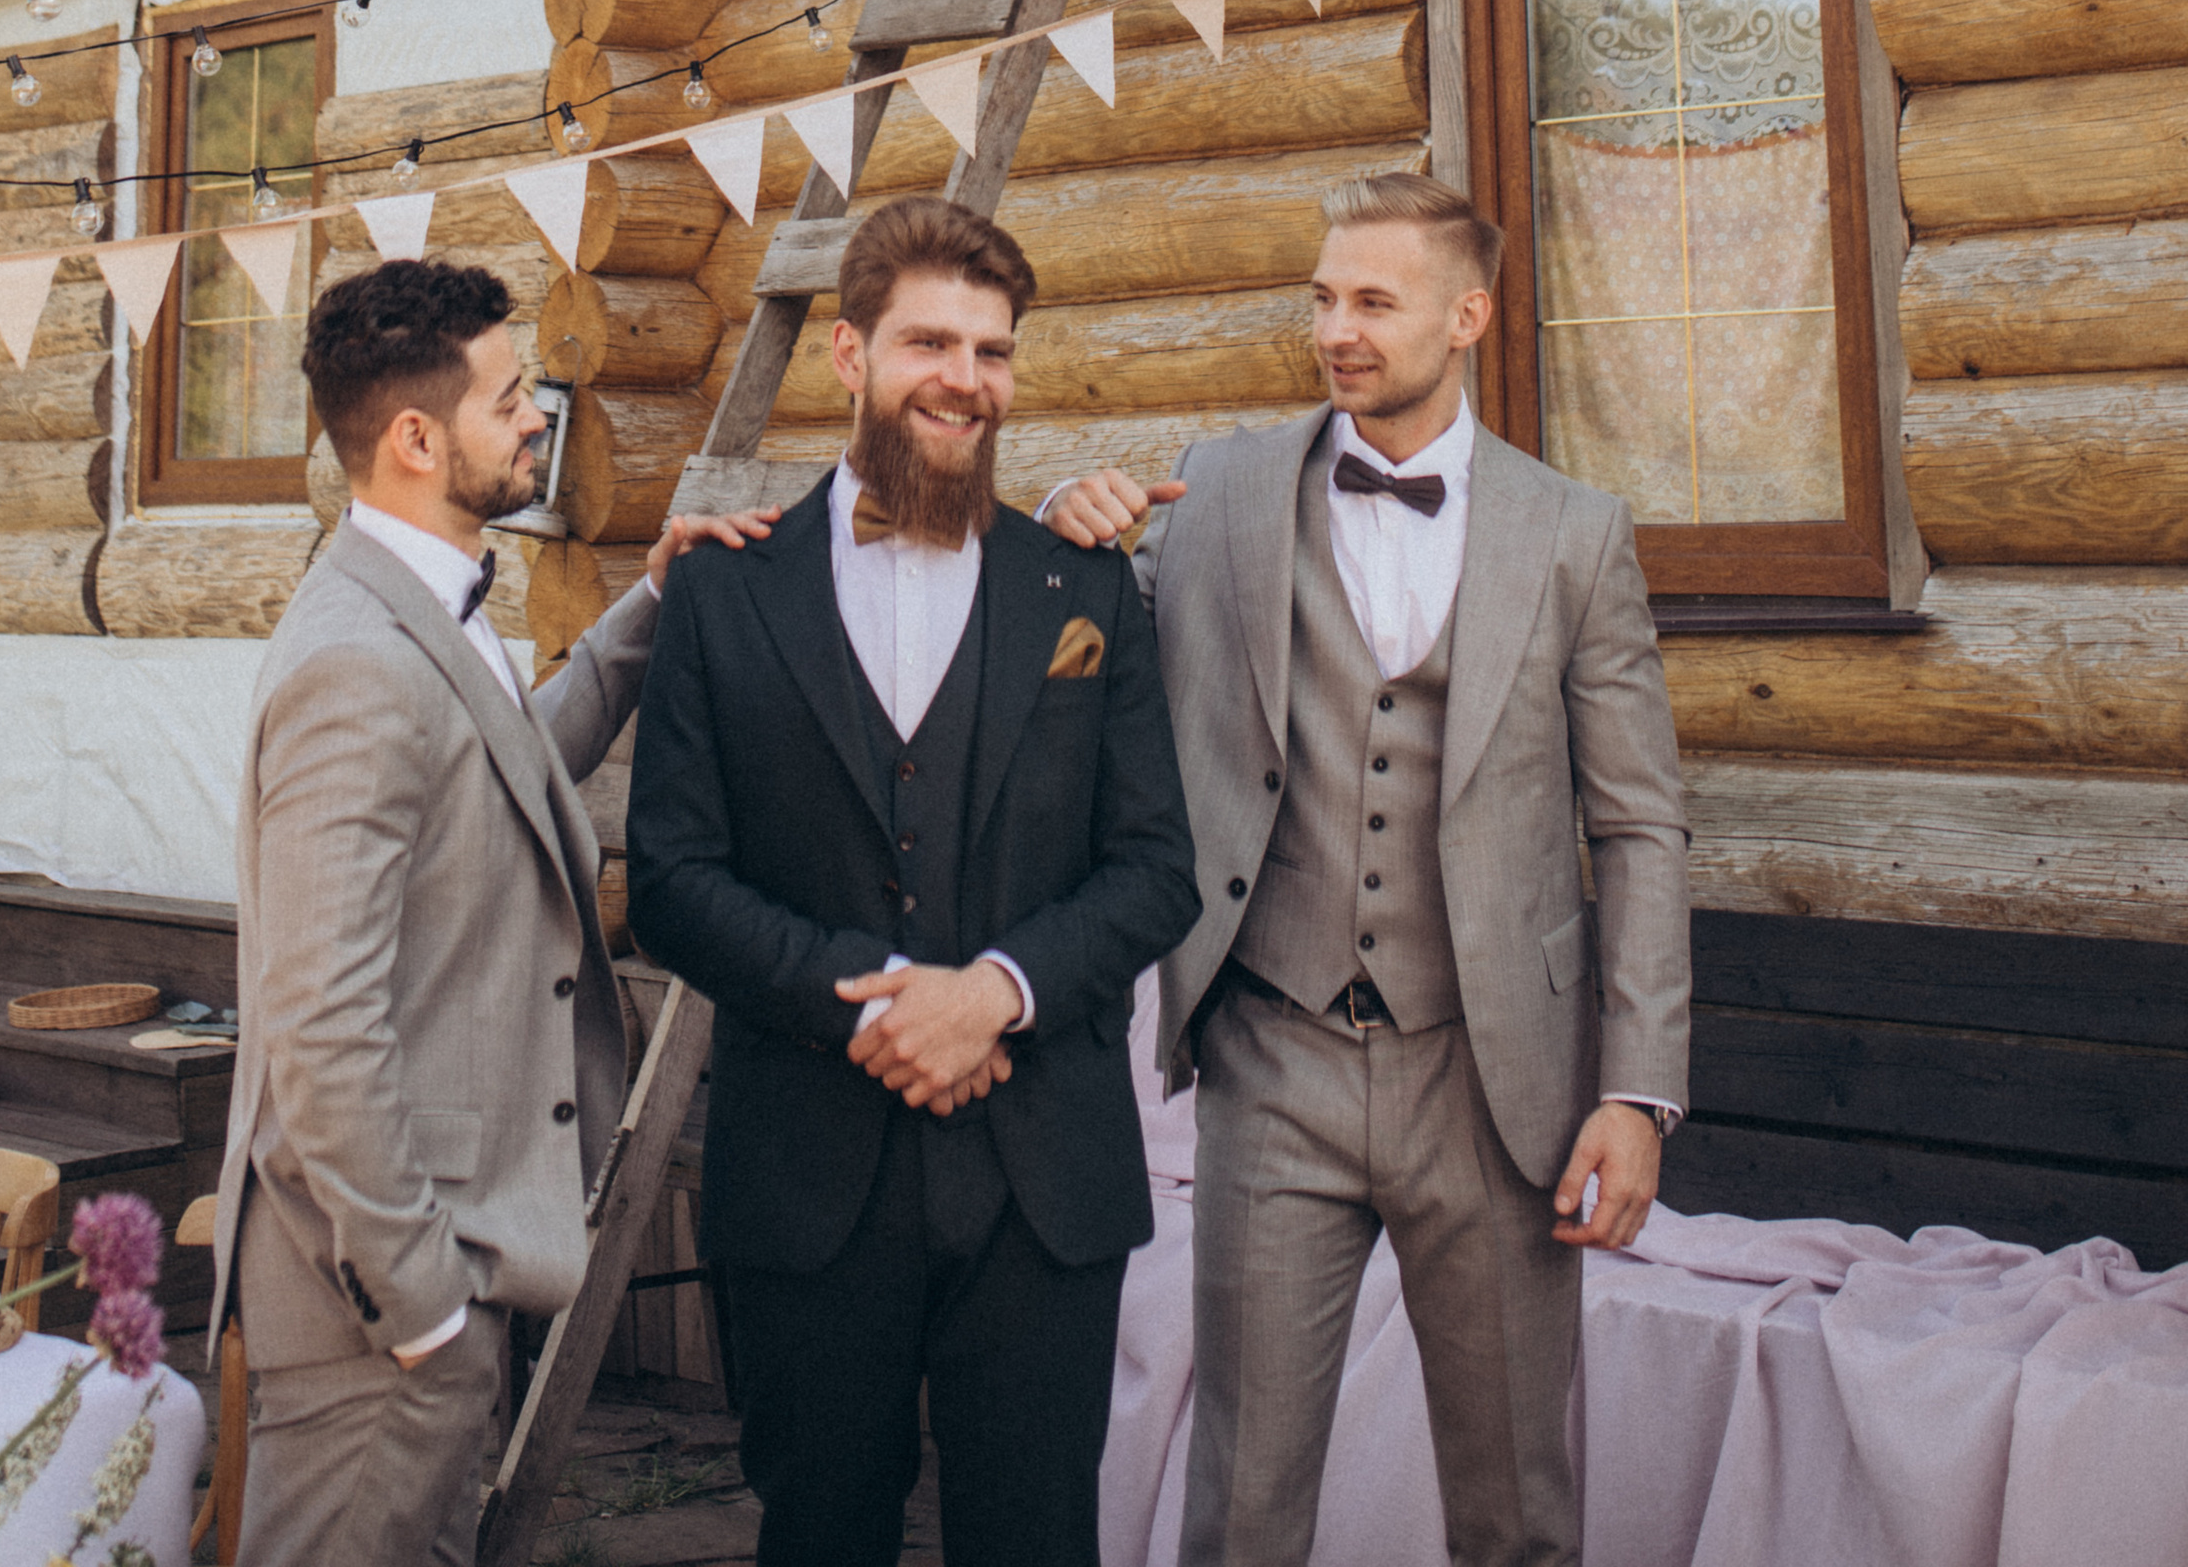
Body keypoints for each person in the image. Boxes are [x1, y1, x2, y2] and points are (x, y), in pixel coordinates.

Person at [1043, 172, 1690, 1567]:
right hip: (1275, 1054)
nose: (1337, 329)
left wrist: (1636, 1092)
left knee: (1519, 1514)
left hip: (1496, 1077)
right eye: (1324, 297)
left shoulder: (1577, 531)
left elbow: (1638, 824)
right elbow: (1091, 698)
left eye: (1374, 303)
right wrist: (1068, 542)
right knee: (1242, 1510)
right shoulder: (1213, 491)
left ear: (1465, 316)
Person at [626, 192, 1201, 1567]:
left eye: (993, 352)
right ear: (849, 356)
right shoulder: (721, 593)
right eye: (931, 343)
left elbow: (1156, 870)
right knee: (821, 1533)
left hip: (1043, 1173)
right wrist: (876, 1012)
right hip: (810, 1169)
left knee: (1037, 1539)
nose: (966, 379)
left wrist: (994, 996)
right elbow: (672, 879)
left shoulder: (1086, 589)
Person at [214, 253, 773, 1567]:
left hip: (440, 1272)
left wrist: (652, 606)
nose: (539, 417)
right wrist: (420, 1306)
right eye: (512, 395)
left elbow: (509, 769)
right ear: (416, 438)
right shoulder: (354, 665)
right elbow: (317, 1021)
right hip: (382, 1306)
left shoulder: (421, 610)